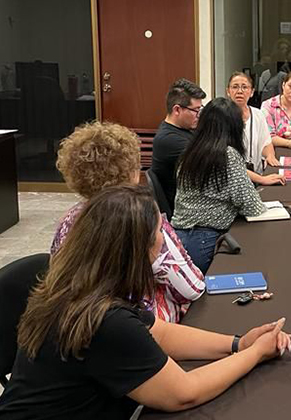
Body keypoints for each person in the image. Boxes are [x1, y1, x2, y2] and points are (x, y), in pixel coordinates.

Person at [0, 186, 291, 419]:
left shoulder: (83, 287)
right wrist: (255, 354)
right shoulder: (105, 320)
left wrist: (237, 343)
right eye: (158, 233)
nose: (162, 240)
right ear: (137, 250)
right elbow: (183, 393)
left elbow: (159, 332)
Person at [51, 121, 204, 323]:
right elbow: (191, 288)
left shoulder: (68, 221)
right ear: (130, 172)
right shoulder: (143, 218)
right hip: (146, 331)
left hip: (85, 328)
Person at [172, 97, 267, 273]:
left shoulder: (190, 151)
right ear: (234, 126)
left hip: (180, 237)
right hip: (205, 240)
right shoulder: (228, 155)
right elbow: (251, 206)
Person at [151, 79, 207, 210]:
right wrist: (261, 179)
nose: (199, 115)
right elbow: (216, 163)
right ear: (177, 110)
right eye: (196, 110)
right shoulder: (169, 140)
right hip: (187, 212)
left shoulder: (185, 129)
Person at [226, 72, 285, 186]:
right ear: (228, 91)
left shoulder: (258, 114)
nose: (239, 91)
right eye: (235, 87)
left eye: (244, 87)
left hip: (255, 176)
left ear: (252, 92)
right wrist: (261, 179)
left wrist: (270, 156)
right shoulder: (220, 116)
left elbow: (266, 142)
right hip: (230, 180)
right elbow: (226, 164)